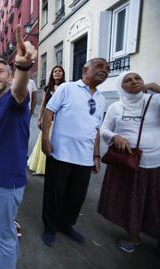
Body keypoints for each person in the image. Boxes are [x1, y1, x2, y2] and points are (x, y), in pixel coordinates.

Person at [0, 25, 37, 269]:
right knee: (4, 230)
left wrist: (23, 65)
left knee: (3, 236)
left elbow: (21, 89)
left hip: (5, 183)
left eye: (0, 71)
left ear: (10, 76)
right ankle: (4, 262)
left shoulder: (14, 100)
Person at [41, 58, 110, 247]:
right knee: (54, 193)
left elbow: (96, 129)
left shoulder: (102, 99)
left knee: (76, 196)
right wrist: (45, 139)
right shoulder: (67, 88)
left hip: (85, 158)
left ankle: (66, 225)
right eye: (100, 66)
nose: (105, 70)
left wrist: (96, 155)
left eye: (107, 68)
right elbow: (48, 112)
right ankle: (50, 227)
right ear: (85, 69)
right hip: (60, 154)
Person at [98, 72, 160, 253]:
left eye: (137, 78)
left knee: (155, 203)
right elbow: (103, 129)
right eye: (127, 80)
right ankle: (133, 237)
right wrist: (114, 136)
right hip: (126, 163)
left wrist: (156, 88)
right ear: (120, 86)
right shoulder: (115, 107)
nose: (134, 82)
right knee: (129, 202)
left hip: (154, 164)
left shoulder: (154, 102)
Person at [28, 66, 66, 175]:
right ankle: (41, 168)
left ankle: (55, 168)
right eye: (55, 71)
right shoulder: (48, 88)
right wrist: (39, 118)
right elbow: (44, 104)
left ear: (62, 74)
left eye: (59, 71)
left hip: (61, 121)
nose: (57, 73)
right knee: (44, 142)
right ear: (52, 74)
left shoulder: (66, 87)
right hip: (48, 120)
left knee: (57, 144)